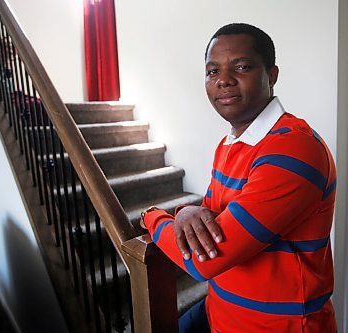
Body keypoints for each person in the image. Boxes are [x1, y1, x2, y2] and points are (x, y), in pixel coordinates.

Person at [140, 23, 337, 333]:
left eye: (241, 67)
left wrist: (152, 217)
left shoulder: (294, 148)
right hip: (218, 311)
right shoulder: (230, 143)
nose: (224, 81)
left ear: (271, 75)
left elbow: (205, 259)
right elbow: (207, 218)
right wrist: (186, 211)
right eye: (212, 72)